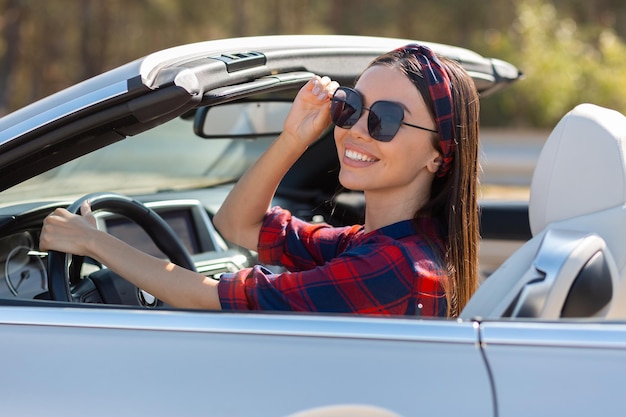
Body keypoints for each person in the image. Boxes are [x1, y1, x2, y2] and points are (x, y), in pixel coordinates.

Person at [40, 44, 480, 318]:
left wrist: (93, 242)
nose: (357, 129)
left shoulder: (394, 267)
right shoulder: (382, 245)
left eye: (386, 119)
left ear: (439, 156)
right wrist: (293, 138)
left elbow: (204, 297)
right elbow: (238, 227)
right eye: (350, 106)